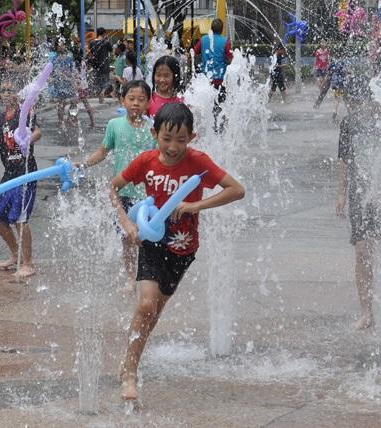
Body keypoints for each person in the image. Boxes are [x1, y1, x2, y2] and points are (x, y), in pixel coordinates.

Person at [111, 102, 245, 402]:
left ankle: (129, 360)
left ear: (192, 137)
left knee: (155, 312)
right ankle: (130, 374)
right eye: (167, 139)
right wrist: (126, 222)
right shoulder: (145, 161)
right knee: (146, 306)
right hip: (151, 241)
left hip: (183, 247)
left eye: (181, 140)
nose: (173, 147)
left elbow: (236, 190)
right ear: (154, 133)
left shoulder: (198, 162)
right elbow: (113, 187)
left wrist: (196, 205)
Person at [82, 80, 155, 291]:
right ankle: (131, 278)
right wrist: (84, 164)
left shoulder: (152, 128)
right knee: (126, 239)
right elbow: (103, 151)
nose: (135, 104)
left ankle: (147, 277)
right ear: (122, 100)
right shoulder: (115, 125)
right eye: (131, 99)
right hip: (122, 192)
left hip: (147, 195)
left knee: (146, 239)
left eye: (141, 100)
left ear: (148, 102)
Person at [335, 78, 381, 329]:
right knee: (362, 251)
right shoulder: (349, 123)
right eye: (352, 103)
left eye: (359, 103)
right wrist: (342, 194)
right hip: (360, 194)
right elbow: (343, 160)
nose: (356, 108)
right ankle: (367, 312)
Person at [0, 78, 41, 280]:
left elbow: (38, 131)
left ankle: (28, 263)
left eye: (9, 90)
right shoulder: (2, 118)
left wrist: (29, 138)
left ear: (17, 93)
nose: (5, 94)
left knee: (19, 219)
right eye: (2, 90)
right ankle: (15, 255)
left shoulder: (25, 112)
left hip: (26, 174)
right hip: (9, 175)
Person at [49, 38, 79, 132]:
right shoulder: (54, 58)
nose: (61, 46)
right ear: (57, 46)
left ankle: (70, 118)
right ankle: (60, 121)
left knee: (74, 101)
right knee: (61, 103)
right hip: (59, 83)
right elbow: (50, 70)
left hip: (69, 82)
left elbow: (73, 70)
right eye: (59, 44)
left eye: (62, 44)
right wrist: (52, 79)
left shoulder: (69, 57)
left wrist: (74, 80)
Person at [88, 27, 113, 102]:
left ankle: (100, 96)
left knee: (98, 81)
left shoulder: (92, 43)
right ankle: (102, 93)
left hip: (96, 65)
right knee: (106, 81)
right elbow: (111, 50)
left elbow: (91, 53)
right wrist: (107, 40)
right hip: (105, 65)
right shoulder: (106, 42)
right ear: (104, 34)